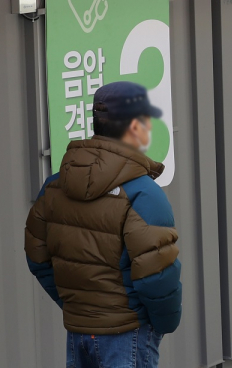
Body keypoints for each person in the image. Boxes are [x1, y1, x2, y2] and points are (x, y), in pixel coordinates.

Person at [25, 81, 182, 368]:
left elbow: (37, 257)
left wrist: (78, 306)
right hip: (129, 334)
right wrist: (164, 323)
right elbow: (157, 278)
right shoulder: (144, 194)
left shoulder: (55, 186)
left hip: (79, 332)